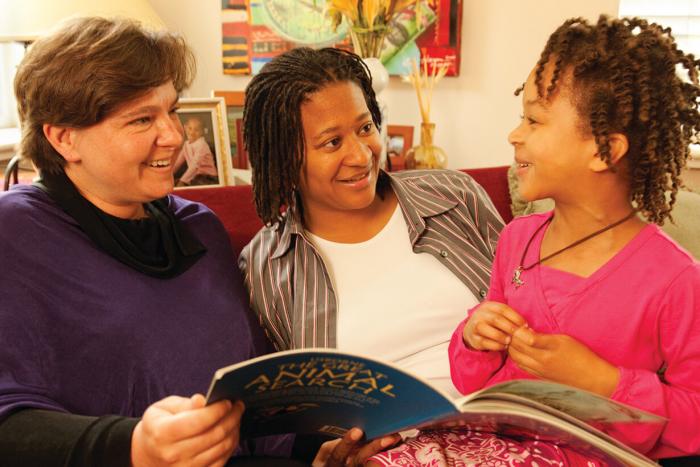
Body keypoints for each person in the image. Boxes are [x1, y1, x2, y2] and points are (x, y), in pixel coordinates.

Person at [369, 15, 700, 465]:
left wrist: (600, 380)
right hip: (488, 442)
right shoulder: (517, 239)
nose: (514, 134)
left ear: (605, 150)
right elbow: (471, 383)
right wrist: (474, 336)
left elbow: (693, 421)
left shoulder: (675, 279)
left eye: (534, 120)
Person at [0, 17, 293, 466]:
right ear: (63, 138)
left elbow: (254, 394)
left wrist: (320, 448)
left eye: (172, 110)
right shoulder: (14, 233)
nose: (174, 135)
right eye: (142, 119)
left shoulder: (199, 227)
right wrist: (135, 445)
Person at [239, 47, 504, 464]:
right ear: (286, 157)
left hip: (514, 427)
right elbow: (290, 416)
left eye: (365, 127)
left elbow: (535, 301)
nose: (362, 155)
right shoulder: (265, 268)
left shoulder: (454, 196)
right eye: (332, 142)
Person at [174, 115, 219, 186]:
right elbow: (178, 162)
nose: (192, 132)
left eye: (197, 130)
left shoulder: (202, 145)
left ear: (202, 132)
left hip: (208, 176)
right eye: (190, 128)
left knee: (190, 183)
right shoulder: (186, 144)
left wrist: (183, 181)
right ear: (185, 127)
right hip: (194, 175)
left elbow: (195, 165)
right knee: (174, 183)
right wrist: (168, 174)